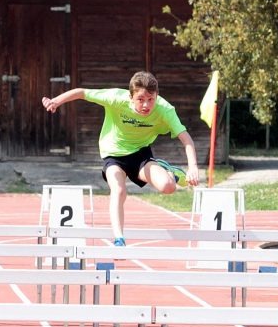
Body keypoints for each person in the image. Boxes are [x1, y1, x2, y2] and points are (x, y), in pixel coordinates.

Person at [41, 70, 201, 246]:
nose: (146, 105)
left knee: (168, 187)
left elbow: (186, 138)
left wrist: (192, 167)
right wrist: (56, 101)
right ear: (131, 97)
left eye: (151, 99)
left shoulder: (165, 109)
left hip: (140, 154)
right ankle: (119, 238)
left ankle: (168, 171)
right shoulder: (116, 98)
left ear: (156, 96)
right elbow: (82, 92)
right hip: (114, 154)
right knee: (118, 190)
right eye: (140, 100)